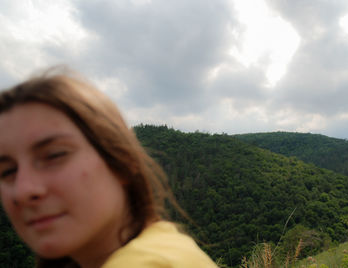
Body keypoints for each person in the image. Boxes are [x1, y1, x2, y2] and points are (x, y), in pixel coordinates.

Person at [0, 68, 218, 268]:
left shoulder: (146, 263)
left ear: (121, 162)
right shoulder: (166, 244)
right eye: (7, 171)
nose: (23, 190)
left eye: (54, 155)